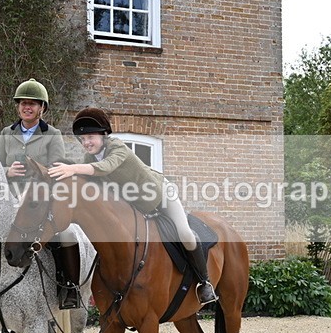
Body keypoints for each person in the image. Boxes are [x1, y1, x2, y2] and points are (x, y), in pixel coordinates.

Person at [48, 107, 219, 305]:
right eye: (82, 139)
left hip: (160, 196)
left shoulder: (117, 147)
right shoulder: (89, 159)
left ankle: (204, 283)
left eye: (90, 137)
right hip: (136, 207)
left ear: (104, 134)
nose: (86, 143)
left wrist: (72, 168)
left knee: (184, 233)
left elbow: (105, 168)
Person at [0, 78, 80, 309]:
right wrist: (7, 170)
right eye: (23, 103)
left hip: (38, 200)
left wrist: (38, 171)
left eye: (33, 103)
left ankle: (69, 287)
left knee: (68, 233)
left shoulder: (53, 134)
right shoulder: (6, 133)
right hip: (7, 198)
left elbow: (57, 168)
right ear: (17, 107)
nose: (27, 107)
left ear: (42, 108)